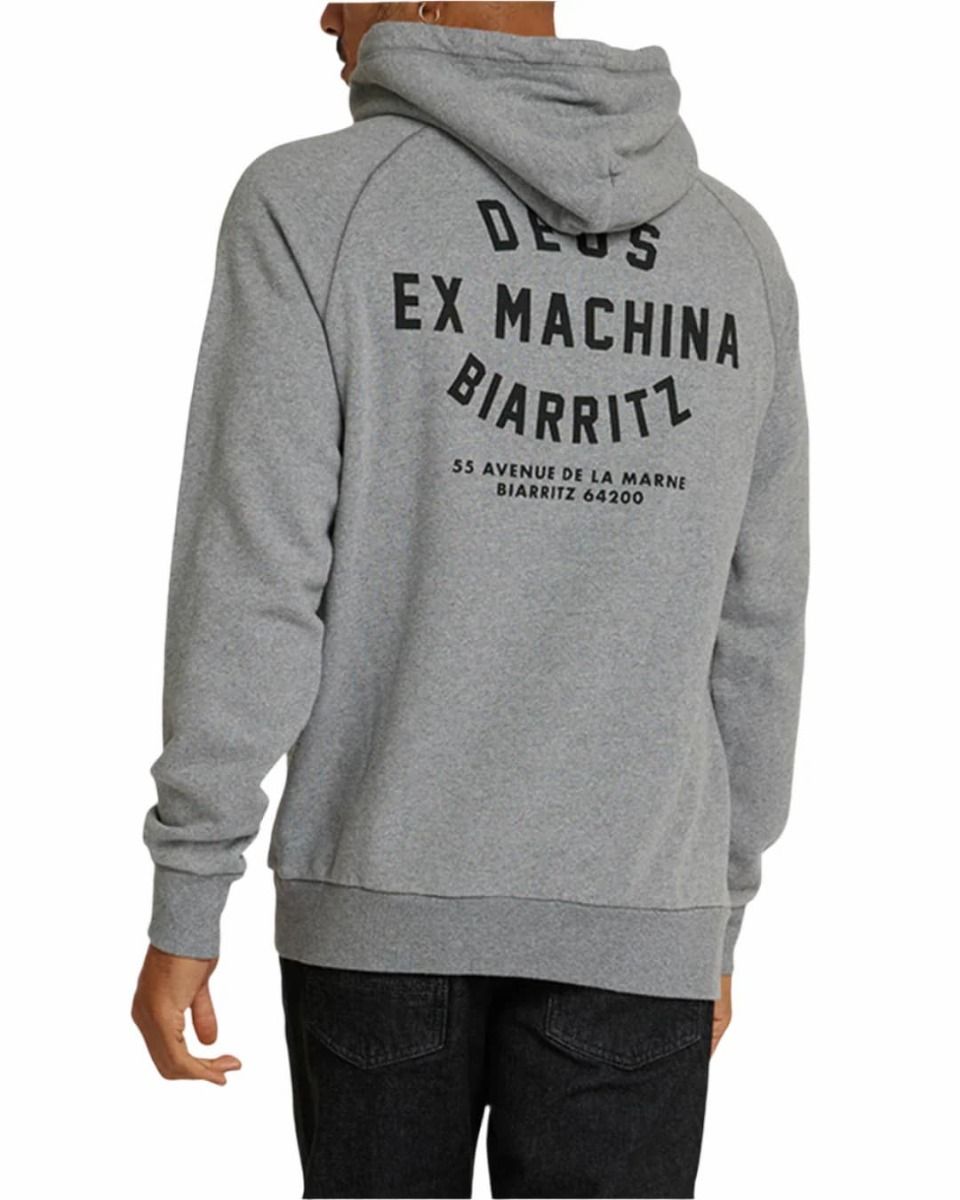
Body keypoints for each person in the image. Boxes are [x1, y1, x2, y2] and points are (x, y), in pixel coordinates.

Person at [132, 3, 810, 1196]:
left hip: (379, 906)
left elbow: (254, 570)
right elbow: (759, 620)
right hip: (639, 914)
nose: (327, 12)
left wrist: (191, 886)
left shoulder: (312, 205)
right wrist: (715, 905)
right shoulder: (732, 248)